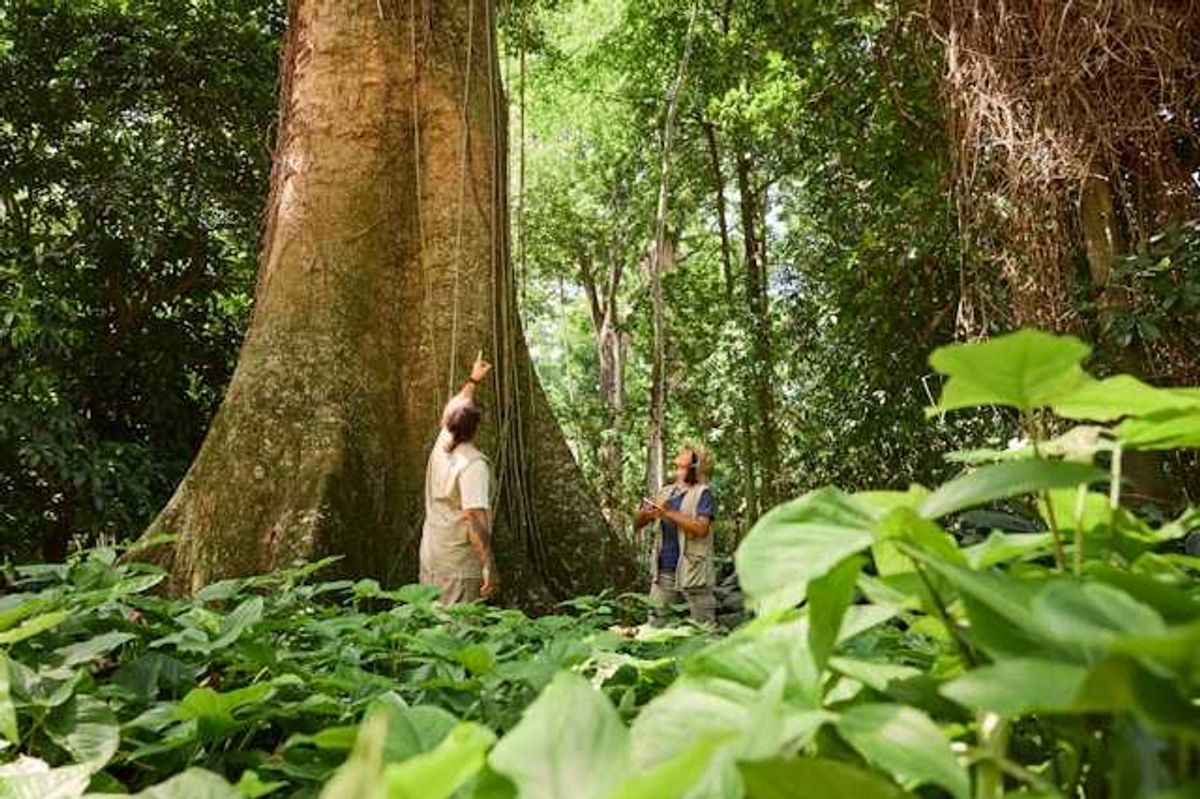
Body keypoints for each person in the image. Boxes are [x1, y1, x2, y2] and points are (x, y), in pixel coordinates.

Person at [419, 353, 499, 604]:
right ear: (476, 428)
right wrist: (488, 564)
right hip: (458, 566)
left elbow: (456, 406)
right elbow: (474, 519)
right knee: (457, 636)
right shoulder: (473, 465)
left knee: (432, 627)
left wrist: (473, 380)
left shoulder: (442, 444)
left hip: (432, 554)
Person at [634, 446, 716, 624]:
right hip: (664, 569)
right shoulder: (666, 492)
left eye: (682, 464)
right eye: (677, 464)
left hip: (694, 571)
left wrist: (669, 513)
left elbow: (702, 528)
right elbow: (638, 524)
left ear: (695, 467)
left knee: (703, 628)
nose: (677, 465)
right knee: (656, 622)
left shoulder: (703, 493)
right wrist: (645, 514)